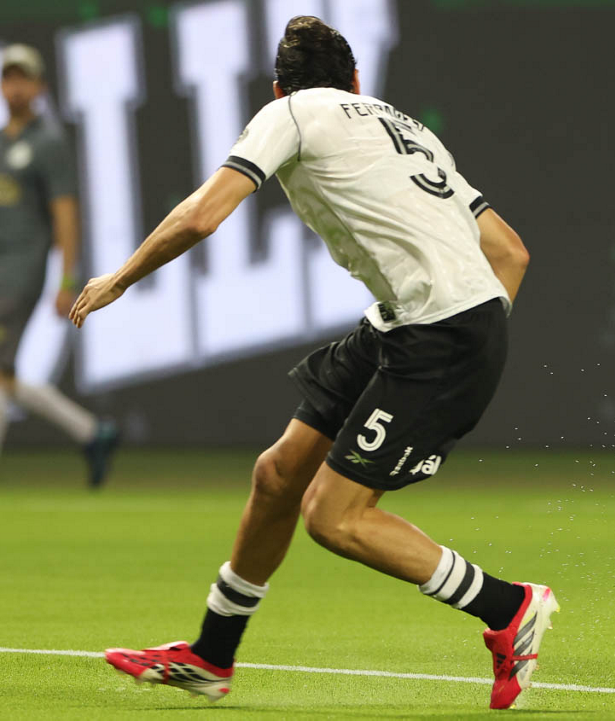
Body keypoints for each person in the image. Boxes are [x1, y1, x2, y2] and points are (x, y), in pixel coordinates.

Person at [70, 16, 553, 710]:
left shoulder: (289, 113)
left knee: (334, 515)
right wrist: (479, 337)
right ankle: (212, 655)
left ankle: (508, 605)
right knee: (278, 474)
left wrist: (120, 277)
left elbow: (205, 215)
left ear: (277, 86)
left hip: (435, 335)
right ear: (356, 81)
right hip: (417, 325)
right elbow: (511, 252)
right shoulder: (409, 127)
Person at [0, 44, 119, 490]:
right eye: (9, 77)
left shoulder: (46, 144)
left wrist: (67, 279)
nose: (15, 86)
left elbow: (66, 214)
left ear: (39, 87)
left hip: (19, 269)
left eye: (23, 78)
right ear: (0, 85)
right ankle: (92, 432)